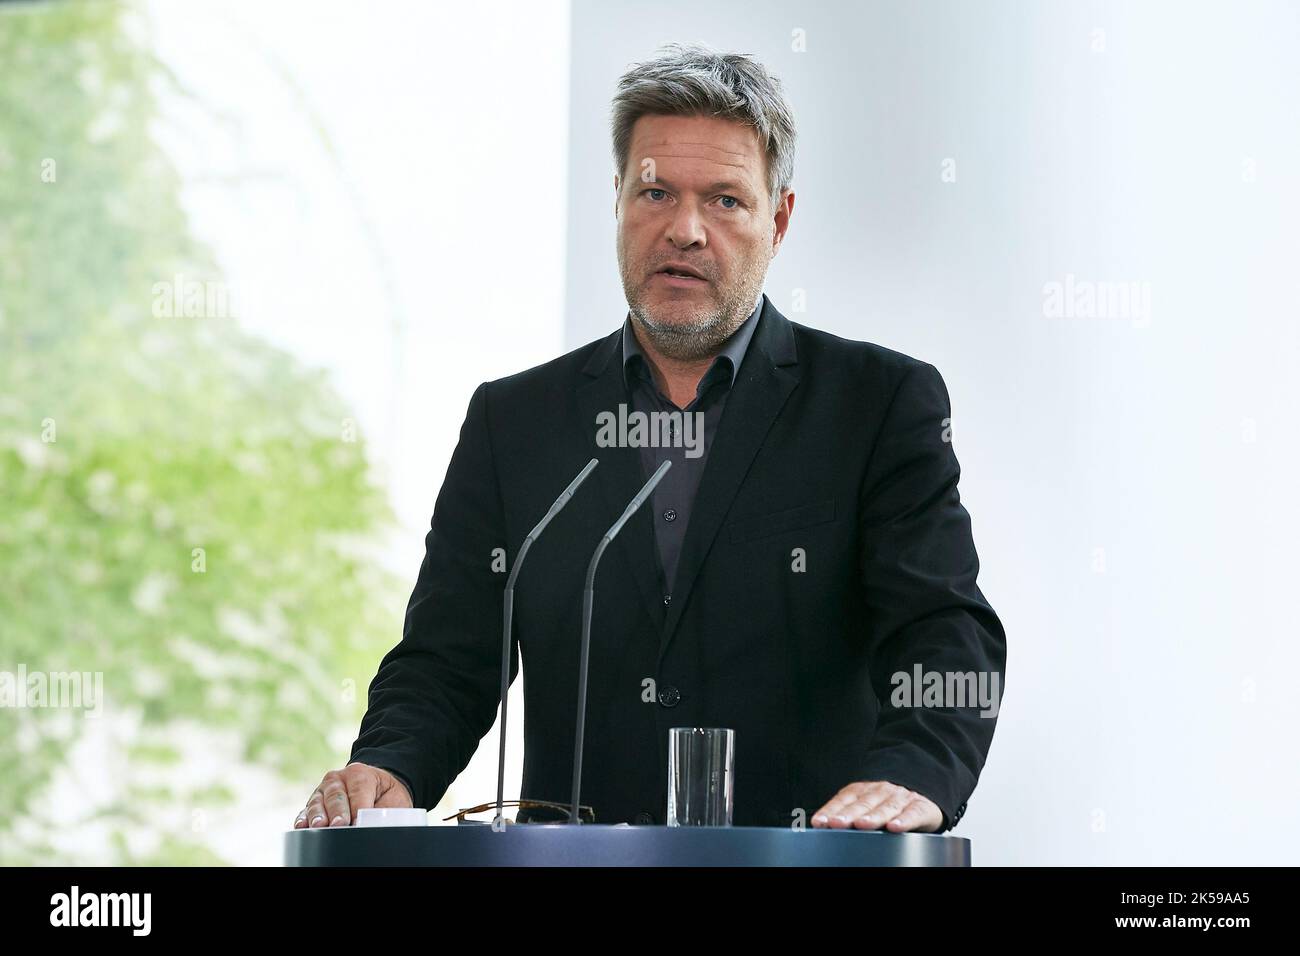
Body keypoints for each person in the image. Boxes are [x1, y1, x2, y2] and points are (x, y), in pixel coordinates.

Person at [295, 41, 1005, 835]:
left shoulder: (876, 404)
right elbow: (447, 661)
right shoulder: (514, 422)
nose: (686, 230)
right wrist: (389, 765)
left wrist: (912, 774)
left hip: (802, 862)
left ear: (780, 218)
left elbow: (943, 634)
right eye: (656, 192)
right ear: (618, 201)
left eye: (727, 201)